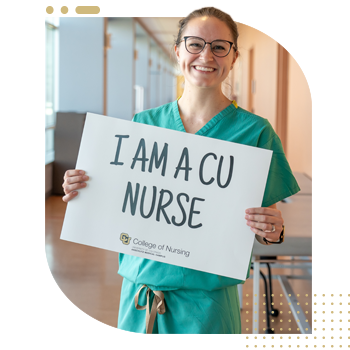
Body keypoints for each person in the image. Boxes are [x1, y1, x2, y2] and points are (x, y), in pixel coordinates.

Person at [62, 6, 300, 334]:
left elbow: (264, 224)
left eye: (219, 46)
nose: (206, 55)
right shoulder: (143, 125)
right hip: (140, 296)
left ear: (233, 58)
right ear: (178, 51)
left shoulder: (256, 133)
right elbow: (124, 203)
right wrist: (85, 189)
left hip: (208, 308)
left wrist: (273, 231)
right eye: (195, 44)